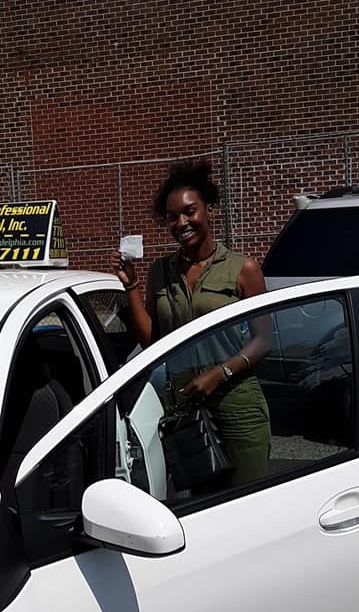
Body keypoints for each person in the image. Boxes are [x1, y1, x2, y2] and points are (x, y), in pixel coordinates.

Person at [112, 158, 272, 488]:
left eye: (189, 212)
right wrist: (132, 286)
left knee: (249, 501)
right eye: (173, 217)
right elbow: (153, 343)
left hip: (238, 402)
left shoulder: (243, 269)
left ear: (208, 210)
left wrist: (220, 373)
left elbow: (263, 340)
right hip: (186, 407)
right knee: (204, 505)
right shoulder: (161, 272)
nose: (181, 223)